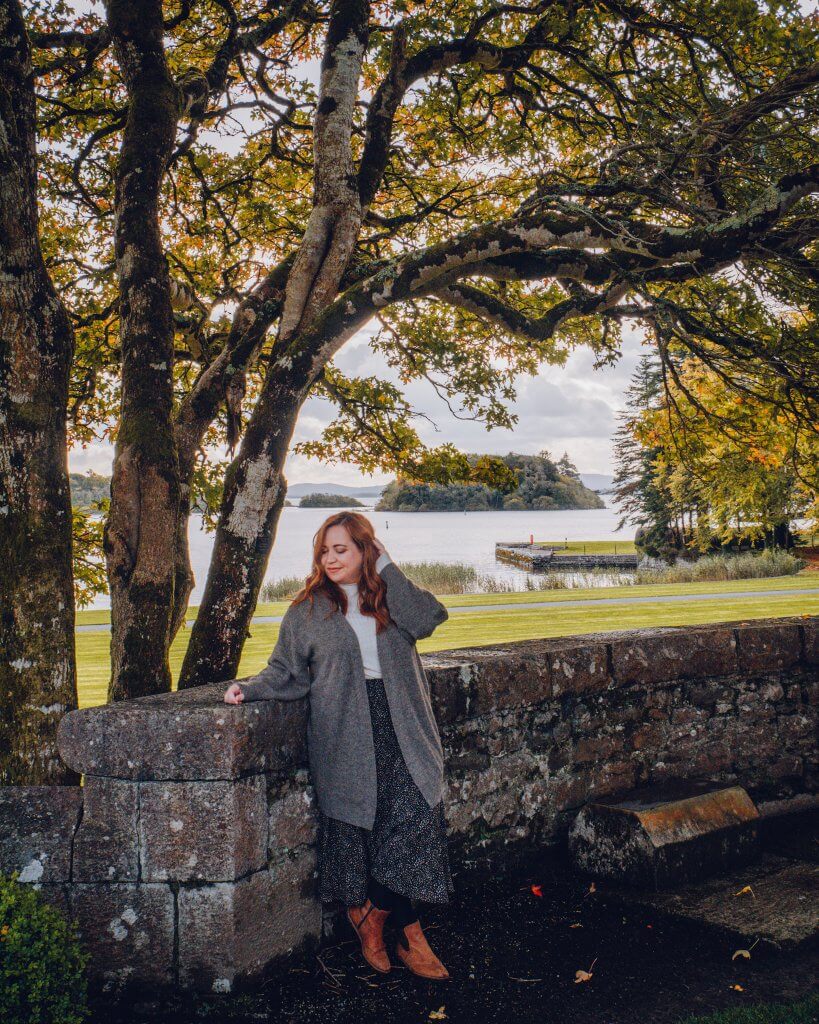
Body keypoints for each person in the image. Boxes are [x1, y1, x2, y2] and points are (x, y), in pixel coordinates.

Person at [223, 511, 453, 981]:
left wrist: (388, 566)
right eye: (324, 550)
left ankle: (372, 918)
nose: (330, 558)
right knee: (360, 830)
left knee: (413, 822)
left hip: (404, 727)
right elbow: (286, 670)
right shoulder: (307, 610)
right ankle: (409, 936)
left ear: (366, 550)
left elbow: (430, 618)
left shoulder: (391, 599)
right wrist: (250, 689)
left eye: (341, 549)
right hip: (344, 732)